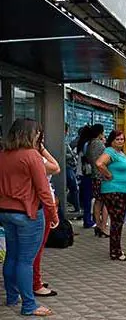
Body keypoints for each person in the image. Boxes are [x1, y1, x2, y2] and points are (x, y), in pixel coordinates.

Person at [0, 119, 59, 317]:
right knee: (26, 261)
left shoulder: (3, 155)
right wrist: (53, 214)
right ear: (31, 135)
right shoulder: (32, 156)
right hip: (29, 214)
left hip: (6, 212)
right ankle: (28, 305)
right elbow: (43, 190)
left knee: (12, 257)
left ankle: (11, 296)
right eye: (38, 134)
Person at [96, 130, 126, 261]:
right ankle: (115, 251)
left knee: (118, 221)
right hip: (114, 190)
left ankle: (117, 249)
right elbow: (99, 164)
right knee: (117, 221)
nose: (120, 142)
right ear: (111, 140)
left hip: (123, 191)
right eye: (117, 139)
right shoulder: (110, 152)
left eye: (122, 139)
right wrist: (108, 174)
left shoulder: (120, 153)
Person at [33, 127, 60, 298]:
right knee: (36, 248)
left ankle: (33, 281)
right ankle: (35, 283)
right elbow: (55, 167)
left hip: (26, 207)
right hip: (40, 206)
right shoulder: (34, 157)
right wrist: (41, 148)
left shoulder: (11, 155)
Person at [86, 124, 110, 237]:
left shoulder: (90, 144)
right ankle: (103, 227)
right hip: (102, 176)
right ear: (100, 132)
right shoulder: (99, 144)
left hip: (95, 176)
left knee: (98, 201)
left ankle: (97, 225)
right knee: (105, 202)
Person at [76, 126, 97, 229]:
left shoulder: (81, 143)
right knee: (88, 198)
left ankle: (87, 218)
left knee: (86, 198)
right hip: (87, 174)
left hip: (81, 173)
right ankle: (88, 220)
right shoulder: (88, 144)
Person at [65, 123, 81, 214]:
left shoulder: (68, 141)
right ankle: (77, 208)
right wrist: (72, 155)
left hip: (70, 166)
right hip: (68, 167)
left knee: (73, 188)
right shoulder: (62, 141)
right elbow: (63, 154)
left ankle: (77, 208)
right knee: (74, 188)